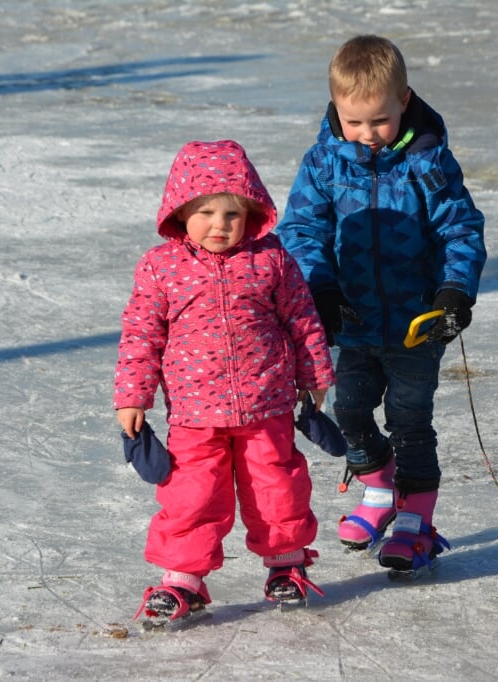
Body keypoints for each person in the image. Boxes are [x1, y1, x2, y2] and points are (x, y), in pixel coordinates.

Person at [278, 35, 487, 575]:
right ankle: (377, 489)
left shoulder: (429, 161)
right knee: (347, 408)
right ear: (335, 111)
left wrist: (453, 293)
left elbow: (459, 230)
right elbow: (302, 230)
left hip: (417, 325)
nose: (367, 134)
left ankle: (416, 518)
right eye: (354, 122)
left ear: (404, 101)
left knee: (410, 419)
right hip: (352, 321)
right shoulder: (325, 163)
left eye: (379, 121)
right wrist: (319, 290)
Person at [113, 140, 336, 626]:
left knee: (276, 486)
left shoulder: (271, 260)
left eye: (233, 214)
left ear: (251, 213)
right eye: (206, 212)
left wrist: (315, 374)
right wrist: (133, 395)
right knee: (191, 495)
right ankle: (182, 580)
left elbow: (302, 319)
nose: (220, 225)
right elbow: (141, 333)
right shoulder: (161, 267)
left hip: (267, 403)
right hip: (194, 413)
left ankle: (285, 566)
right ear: (180, 211)